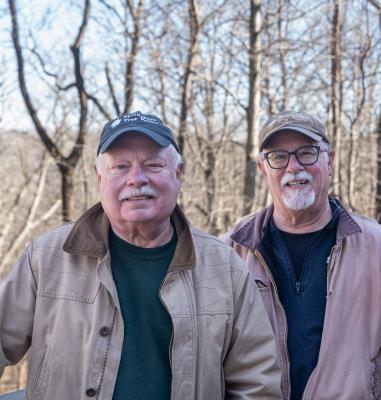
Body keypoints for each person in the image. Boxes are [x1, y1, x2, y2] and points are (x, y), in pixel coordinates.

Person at [0, 111, 282, 399]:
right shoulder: (46, 257)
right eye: (121, 167)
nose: (136, 178)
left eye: (153, 165)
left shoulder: (225, 269)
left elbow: (256, 385)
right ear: (99, 177)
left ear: (178, 174)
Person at [223, 110, 381, 400]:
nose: (293, 167)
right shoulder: (232, 250)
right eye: (278, 157)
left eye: (307, 153)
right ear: (262, 168)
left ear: (329, 160)